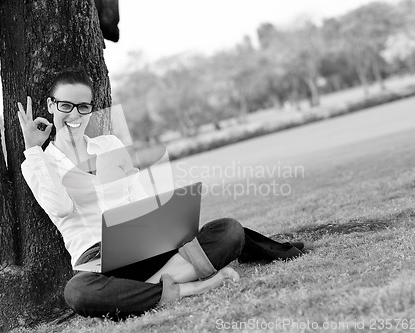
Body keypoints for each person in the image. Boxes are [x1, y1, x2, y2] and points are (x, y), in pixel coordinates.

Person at [17, 68, 311, 320]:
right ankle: (190, 285)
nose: (75, 115)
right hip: (98, 264)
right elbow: (60, 208)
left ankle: (152, 288)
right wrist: (33, 147)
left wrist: (162, 223)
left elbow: (139, 195)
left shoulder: (107, 145)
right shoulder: (38, 163)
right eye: (66, 106)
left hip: (145, 246)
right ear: (51, 105)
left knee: (230, 230)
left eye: (84, 107)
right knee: (77, 292)